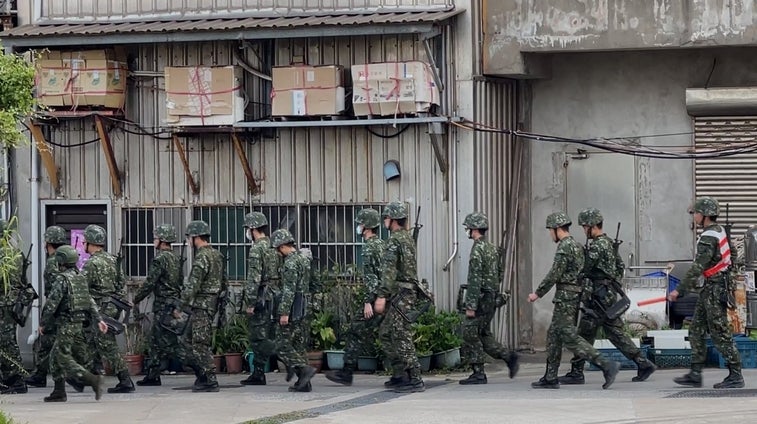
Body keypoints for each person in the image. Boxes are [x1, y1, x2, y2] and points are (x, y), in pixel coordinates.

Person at [559, 208, 656, 384]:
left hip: (599, 297)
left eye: (584, 227)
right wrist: (611, 281)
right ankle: (643, 363)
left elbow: (585, 268)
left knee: (586, 333)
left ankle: (577, 372)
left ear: (592, 226)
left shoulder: (597, 245)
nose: (583, 230)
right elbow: (620, 266)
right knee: (611, 333)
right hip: (607, 293)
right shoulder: (609, 243)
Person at [528, 212, 620, 390]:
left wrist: (538, 293)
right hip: (572, 296)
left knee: (570, 337)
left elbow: (555, 273)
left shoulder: (565, 247)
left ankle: (606, 365)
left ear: (556, 229)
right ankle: (550, 377)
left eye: (550, 230)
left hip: (566, 298)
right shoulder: (577, 246)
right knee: (554, 335)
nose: (549, 234)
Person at [669, 197, 744, 389]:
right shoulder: (720, 232)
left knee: (719, 332)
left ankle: (736, 374)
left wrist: (679, 289)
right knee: (696, 329)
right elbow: (732, 255)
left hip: (714, 289)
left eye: (695, 213)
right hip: (712, 287)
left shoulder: (709, 236)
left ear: (705, 215)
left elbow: (697, 267)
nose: (693, 216)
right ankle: (695, 374)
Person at [39, 245, 108, 402]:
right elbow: (90, 301)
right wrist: (99, 319)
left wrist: (43, 323)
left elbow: (52, 304)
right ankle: (59, 391)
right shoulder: (80, 277)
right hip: (78, 324)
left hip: (66, 324)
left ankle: (92, 380)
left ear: (61, 261)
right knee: (56, 357)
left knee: (62, 358)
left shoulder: (62, 279)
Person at [325, 208, 385, 386]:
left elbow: (372, 278)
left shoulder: (370, 248)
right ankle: (403, 373)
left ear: (366, 226)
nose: (358, 227)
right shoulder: (381, 244)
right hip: (386, 297)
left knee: (356, 331)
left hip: (377, 299)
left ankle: (347, 372)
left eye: (360, 223)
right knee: (390, 336)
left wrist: (368, 301)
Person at [458, 212, 519, 385]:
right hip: (490, 296)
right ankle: (508, 357)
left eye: (468, 228)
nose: (467, 231)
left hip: (481, 298)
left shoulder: (478, 249)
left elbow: (474, 279)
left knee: (470, 332)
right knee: (483, 333)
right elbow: (499, 273)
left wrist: (470, 305)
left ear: (475, 229)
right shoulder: (492, 248)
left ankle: (478, 372)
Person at [374, 201, 426, 393]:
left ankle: (415, 378)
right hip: (404, 293)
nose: (385, 221)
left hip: (401, 294)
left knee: (400, 335)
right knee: (386, 333)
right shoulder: (407, 238)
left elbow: (389, 271)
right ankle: (400, 374)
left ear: (393, 220)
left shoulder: (395, 241)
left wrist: (382, 296)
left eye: (386, 217)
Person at [81, 224, 135, 393]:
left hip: (100, 310)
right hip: (113, 306)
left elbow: (83, 289)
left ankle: (125, 380)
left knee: (107, 344)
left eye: (84, 241)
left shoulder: (91, 264)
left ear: (90, 242)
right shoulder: (113, 260)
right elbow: (121, 284)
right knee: (92, 342)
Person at [134, 224, 184, 386]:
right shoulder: (176, 258)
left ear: (162, 240)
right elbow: (181, 281)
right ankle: (153, 374)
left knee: (171, 344)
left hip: (163, 306)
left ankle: (202, 370)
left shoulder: (160, 259)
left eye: (155, 238)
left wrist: (136, 298)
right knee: (156, 341)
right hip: (173, 304)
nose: (153, 241)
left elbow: (150, 283)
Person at [270, 228, 316, 392]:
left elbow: (289, 289)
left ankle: (304, 370)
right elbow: (313, 283)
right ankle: (304, 383)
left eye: (277, 249)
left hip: (293, 307)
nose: (278, 253)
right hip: (303, 306)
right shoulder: (304, 259)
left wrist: (284, 312)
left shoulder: (290, 263)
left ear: (282, 246)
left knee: (282, 345)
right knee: (298, 346)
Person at [181, 220, 225, 392]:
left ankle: (210, 379)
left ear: (196, 237)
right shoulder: (217, 255)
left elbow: (193, 284)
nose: (188, 242)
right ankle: (201, 374)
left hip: (202, 305)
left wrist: (180, 305)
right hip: (211, 304)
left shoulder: (202, 256)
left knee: (199, 343)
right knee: (187, 340)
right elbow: (224, 281)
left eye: (189, 238)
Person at [26, 226, 70, 388]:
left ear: (49, 242)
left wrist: (45, 319)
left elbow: (54, 293)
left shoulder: (53, 262)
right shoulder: (66, 259)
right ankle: (41, 374)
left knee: (46, 340)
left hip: (56, 309)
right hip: (67, 308)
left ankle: (41, 375)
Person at [240, 212, 280, 386]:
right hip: (276, 294)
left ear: (253, 229)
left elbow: (254, 278)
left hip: (262, 296)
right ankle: (258, 372)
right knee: (270, 333)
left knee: (258, 336)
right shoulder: (274, 245)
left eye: (248, 229)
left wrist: (250, 302)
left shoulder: (257, 248)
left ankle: (259, 372)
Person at [0, 219, 32, 394]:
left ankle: (16, 379)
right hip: (12, 303)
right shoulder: (16, 253)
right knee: (8, 341)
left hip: (4, 304)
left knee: (6, 343)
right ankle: (10, 378)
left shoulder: (4, 254)